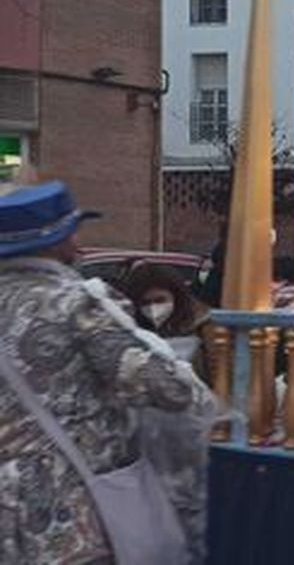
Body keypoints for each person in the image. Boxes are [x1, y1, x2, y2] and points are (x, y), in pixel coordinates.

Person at [0, 180, 213, 562]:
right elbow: (169, 390)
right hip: (70, 518)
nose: (78, 244)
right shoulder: (77, 304)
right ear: (55, 242)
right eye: (71, 233)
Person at [125, 262, 213, 367]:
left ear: (177, 297)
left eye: (160, 300)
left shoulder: (204, 328)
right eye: (145, 303)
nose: (153, 308)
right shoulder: (131, 329)